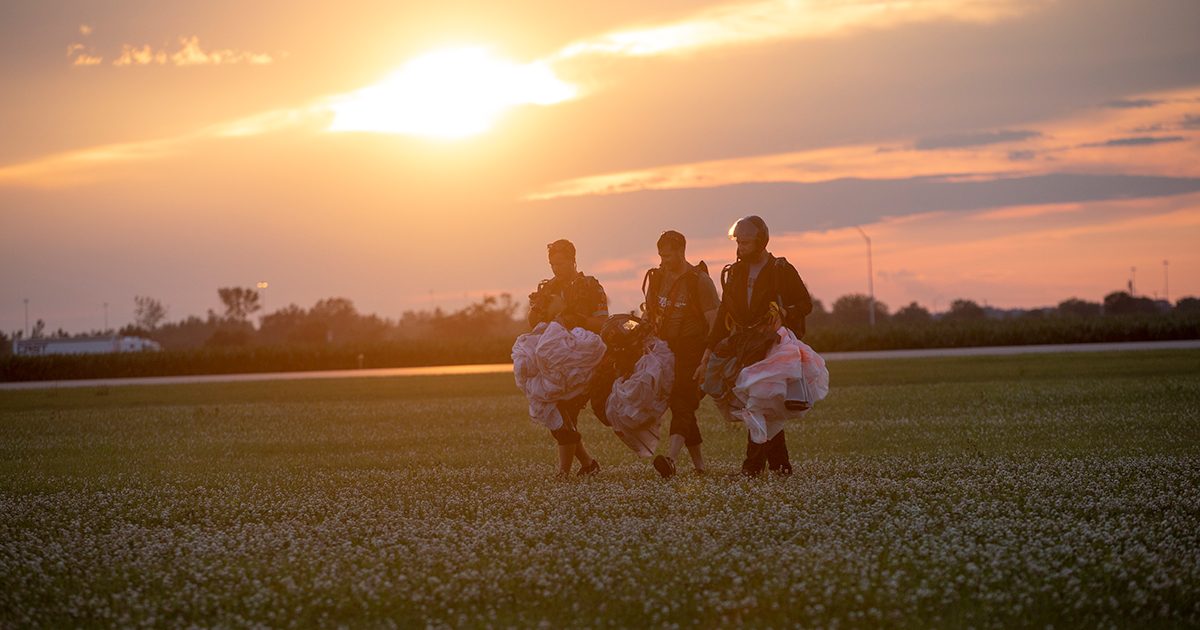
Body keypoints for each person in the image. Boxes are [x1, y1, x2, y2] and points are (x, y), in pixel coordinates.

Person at [698, 216, 814, 476]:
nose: (740, 248)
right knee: (761, 404)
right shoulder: (735, 272)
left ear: (761, 242)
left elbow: (806, 304)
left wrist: (785, 311)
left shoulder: (781, 269)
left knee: (759, 402)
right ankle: (780, 465)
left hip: (771, 346)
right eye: (738, 242)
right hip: (743, 346)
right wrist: (708, 352)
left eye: (746, 243)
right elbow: (722, 316)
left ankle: (752, 466)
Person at [525, 239, 609, 477]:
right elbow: (534, 326)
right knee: (554, 412)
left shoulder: (591, 286)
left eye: (560, 264)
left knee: (565, 411)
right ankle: (589, 465)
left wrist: (577, 321)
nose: (556, 269)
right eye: (552, 264)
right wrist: (536, 307)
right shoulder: (548, 288)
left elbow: (603, 324)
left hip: (584, 360)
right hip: (554, 362)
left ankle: (563, 474)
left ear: (573, 259)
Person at [641, 231, 720, 478]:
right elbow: (648, 315)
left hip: (692, 349)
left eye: (667, 255)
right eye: (660, 256)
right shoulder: (657, 279)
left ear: (681, 251)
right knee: (680, 404)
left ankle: (671, 460)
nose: (663, 260)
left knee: (683, 400)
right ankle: (700, 467)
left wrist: (707, 358)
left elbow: (714, 323)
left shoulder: (700, 281)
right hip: (663, 349)